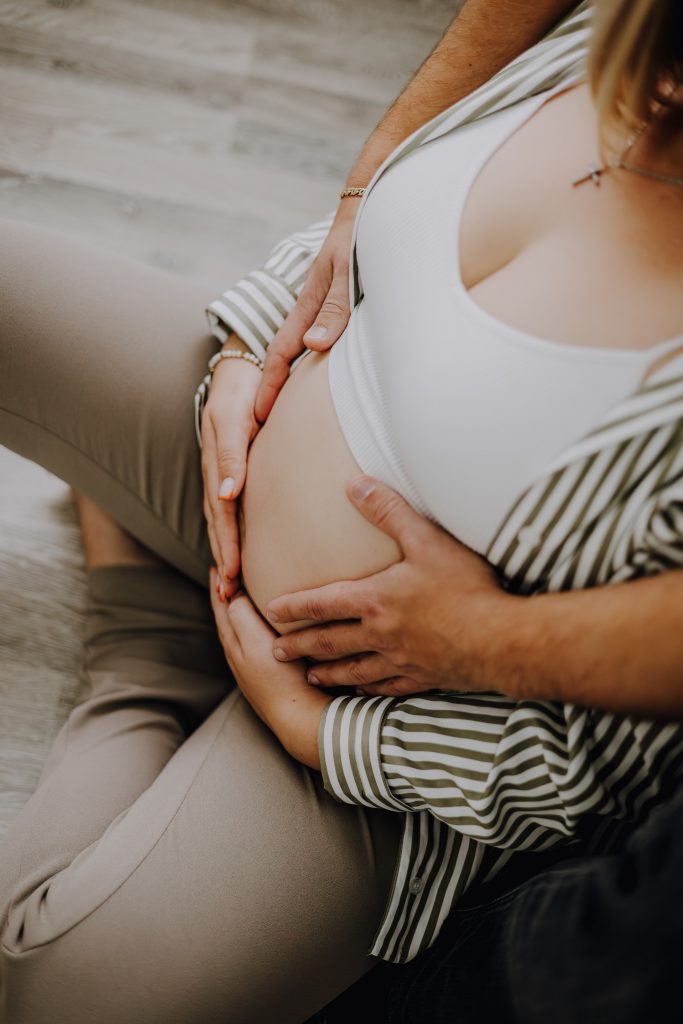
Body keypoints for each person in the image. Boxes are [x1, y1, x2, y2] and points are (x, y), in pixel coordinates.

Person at [0, 3, 681, 1024]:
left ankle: (148, 648)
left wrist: (321, 733)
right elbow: (366, 230)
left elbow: (601, 767)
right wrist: (244, 345)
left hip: (369, 736)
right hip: (225, 441)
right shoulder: (601, 32)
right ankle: (173, 572)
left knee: (57, 994)